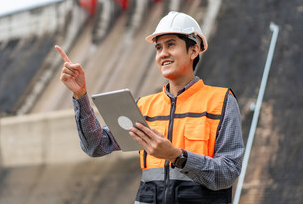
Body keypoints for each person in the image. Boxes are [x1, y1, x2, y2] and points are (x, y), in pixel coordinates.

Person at [55, 11, 244, 203]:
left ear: (194, 51)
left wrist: (177, 156)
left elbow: (228, 173)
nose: (163, 53)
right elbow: (96, 146)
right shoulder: (145, 106)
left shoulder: (221, 101)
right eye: (159, 48)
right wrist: (80, 95)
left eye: (171, 44)